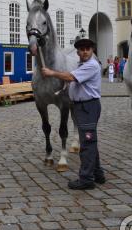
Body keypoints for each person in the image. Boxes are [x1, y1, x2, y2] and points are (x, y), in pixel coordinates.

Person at [41, 37, 105, 190]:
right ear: (77, 52)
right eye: (81, 49)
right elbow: (72, 79)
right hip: (82, 107)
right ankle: (97, 173)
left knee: (87, 144)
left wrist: (51, 73)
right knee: (90, 142)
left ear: (92, 50)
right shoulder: (81, 64)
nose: (84, 52)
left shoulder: (91, 65)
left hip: (87, 107)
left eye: (87, 49)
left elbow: (70, 76)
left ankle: (86, 179)